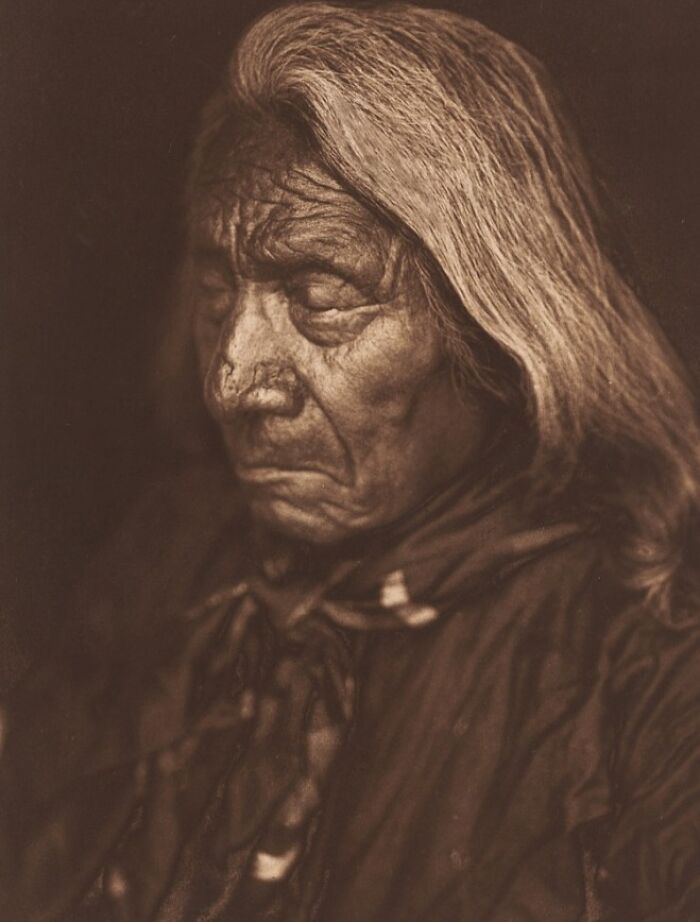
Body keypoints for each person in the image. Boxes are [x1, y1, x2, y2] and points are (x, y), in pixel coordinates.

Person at [2, 3, 700, 920]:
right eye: (217, 289)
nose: (232, 379)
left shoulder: (647, 662)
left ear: (500, 333)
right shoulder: (172, 551)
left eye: (321, 296)